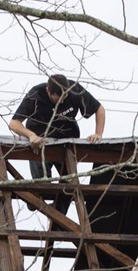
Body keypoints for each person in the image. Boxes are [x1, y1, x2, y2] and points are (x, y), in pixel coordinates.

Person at [9, 74, 106, 213]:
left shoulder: (74, 90)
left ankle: (58, 215)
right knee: (42, 182)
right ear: (49, 91)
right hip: (41, 143)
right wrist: (31, 135)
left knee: (69, 182)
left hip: (66, 141)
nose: (61, 101)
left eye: (64, 97)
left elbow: (99, 109)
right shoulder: (36, 95)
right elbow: (13, 123)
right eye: (57, 98)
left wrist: (98, 133)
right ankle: (35, 199)